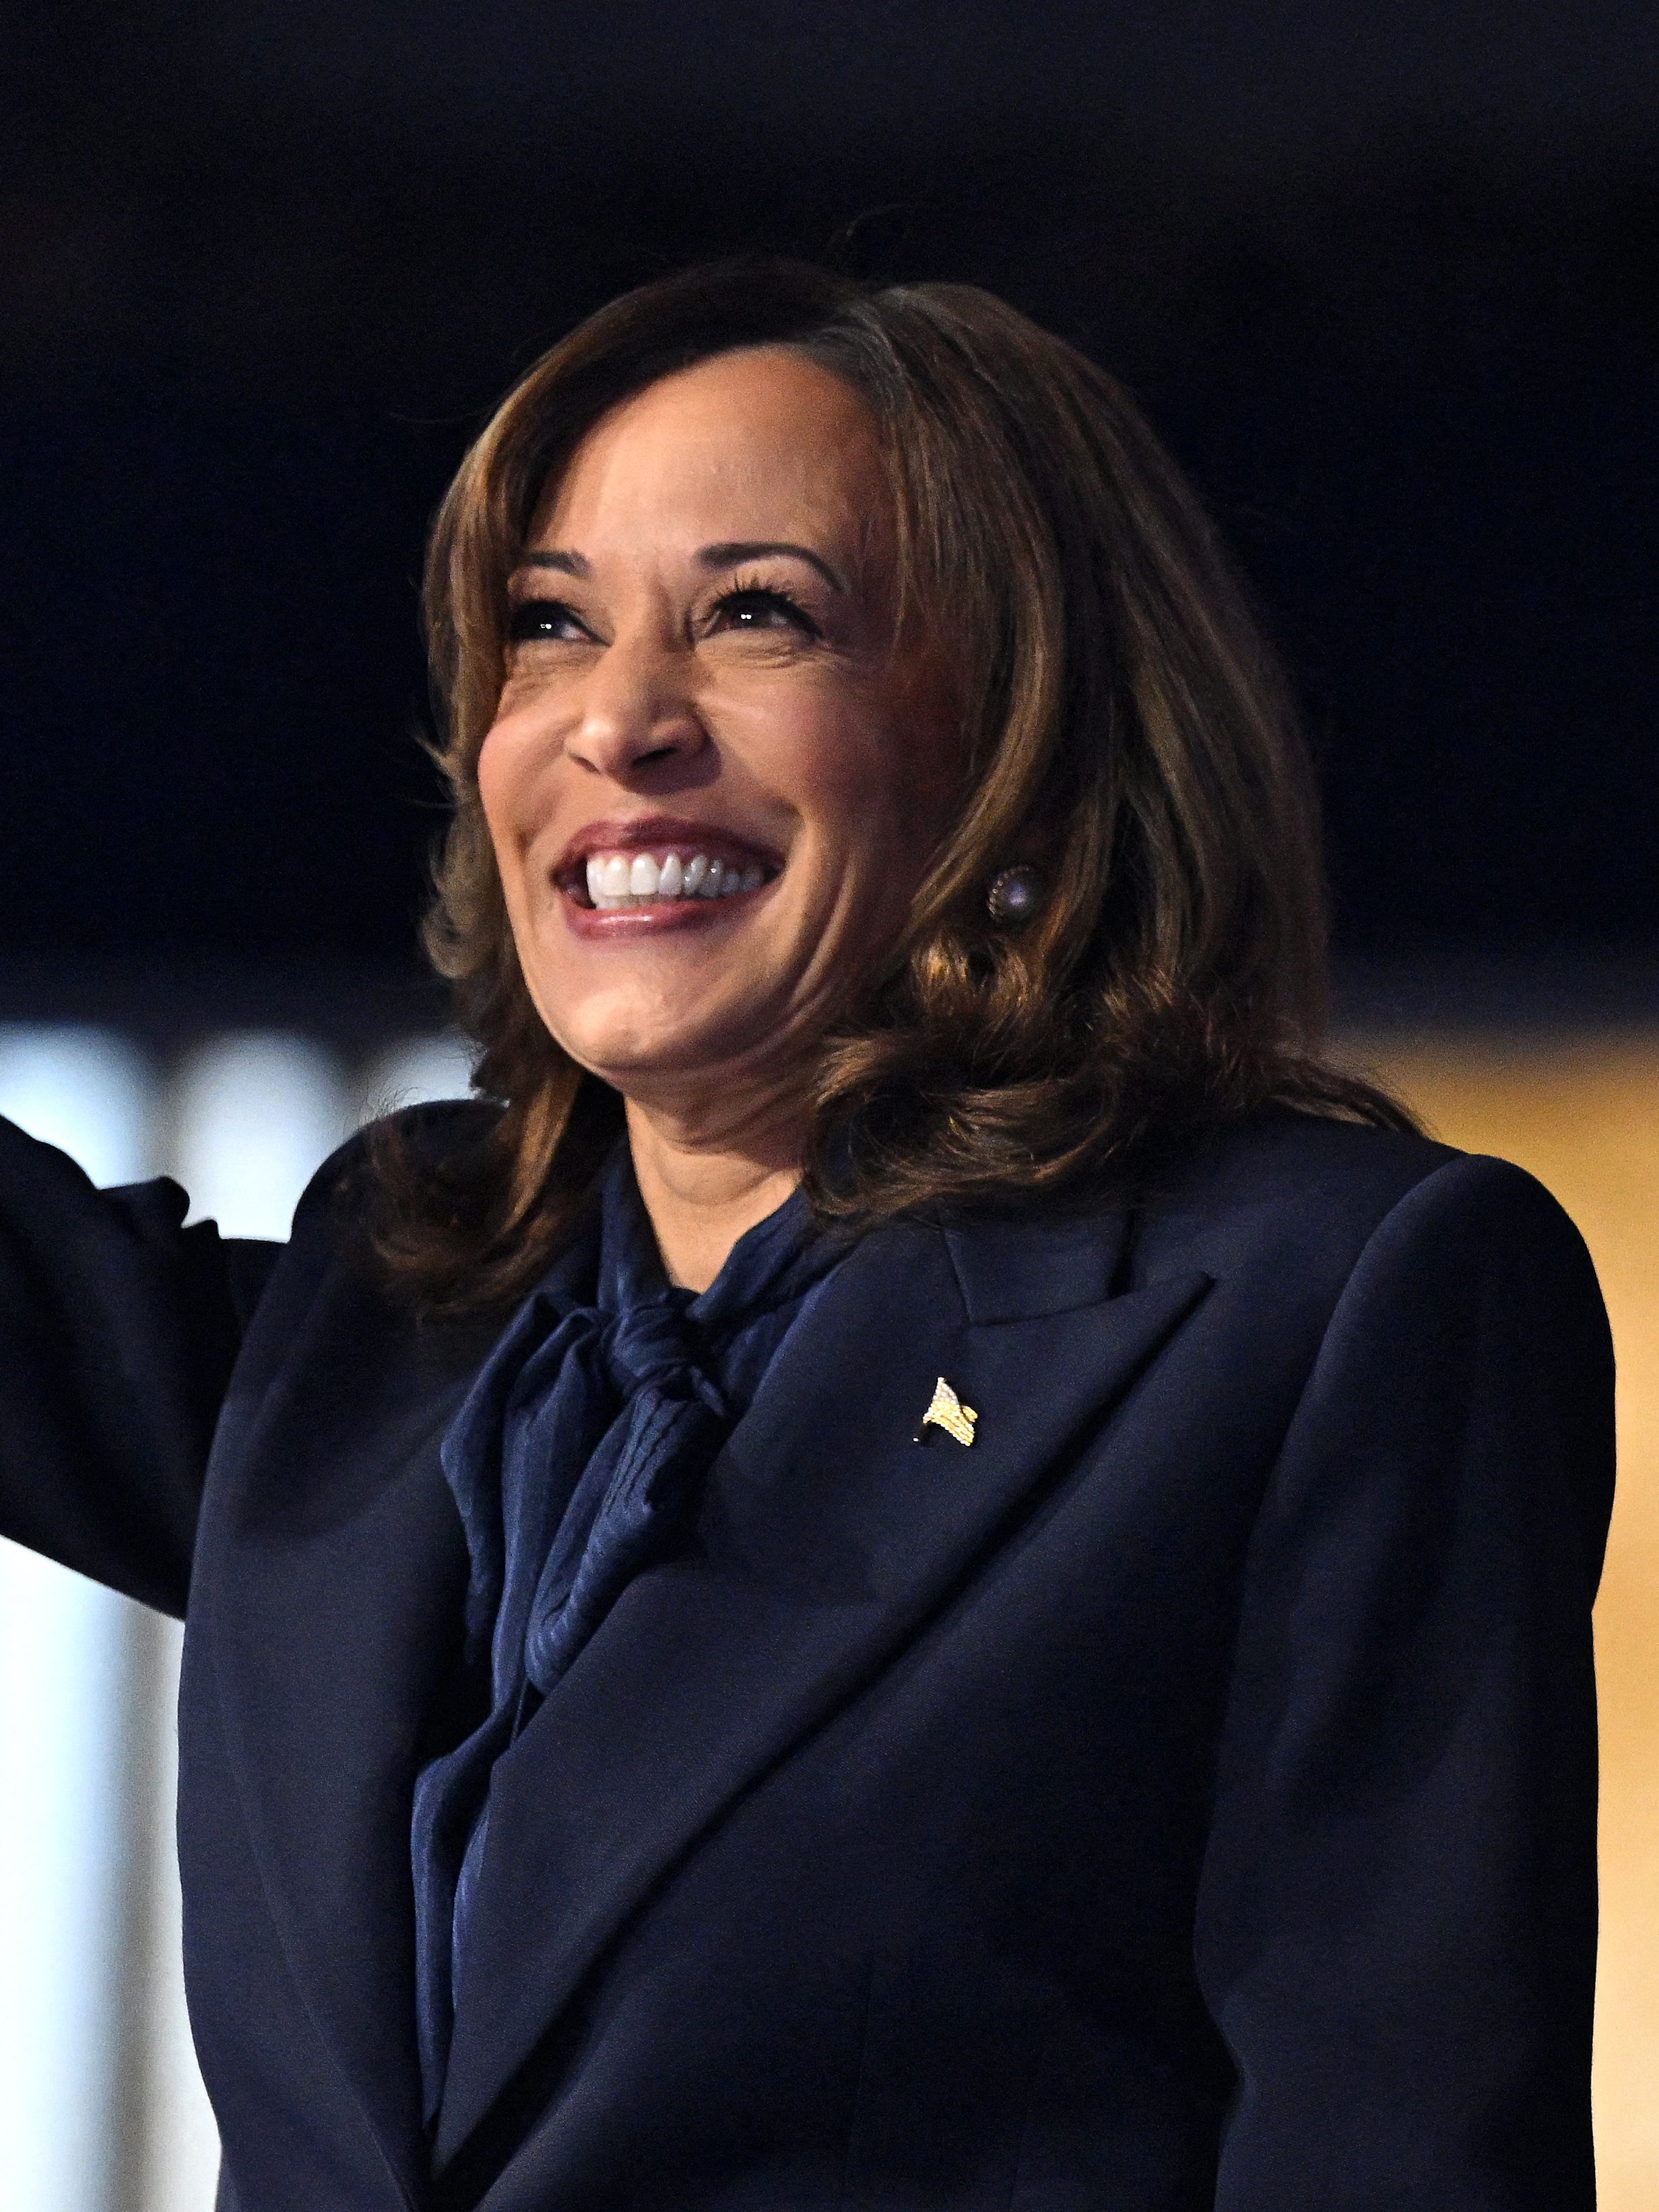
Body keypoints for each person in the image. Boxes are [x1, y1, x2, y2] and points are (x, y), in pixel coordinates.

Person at [0, 262, 1612, 2212]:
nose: (617, 721)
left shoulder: (1320, 1304)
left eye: (760, 616)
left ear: (1023, 735)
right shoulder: (398, 1308)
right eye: (548, 625)